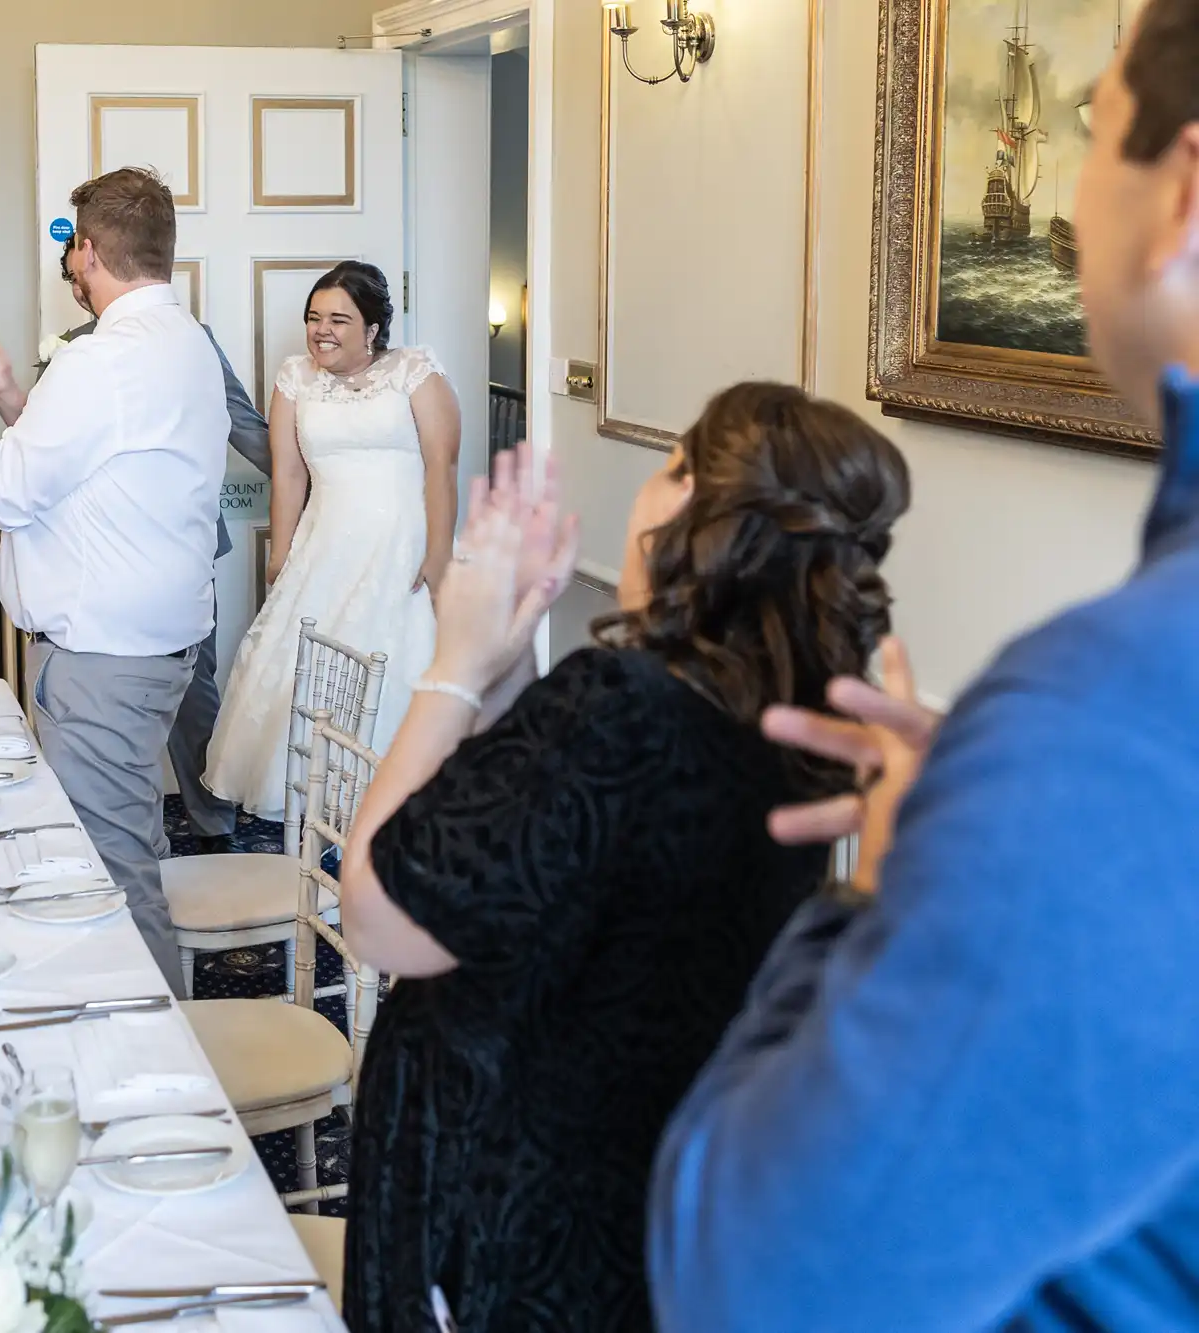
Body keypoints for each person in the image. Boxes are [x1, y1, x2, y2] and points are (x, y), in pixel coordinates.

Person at [648, 7, 1199, 1327]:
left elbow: (749, 1278)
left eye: (1095, 131)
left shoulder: (1105, 722)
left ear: (1180, 197)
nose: (1070, 179)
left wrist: (889, 884)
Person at [336, 386, 911, 1332]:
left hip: (495, 1214)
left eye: (670, 463)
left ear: (695, 509)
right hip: (634, 1212)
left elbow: (379, 915)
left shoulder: (622, 705)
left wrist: (452, 665)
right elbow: (535, 847)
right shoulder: (786, 733)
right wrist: (510, 657)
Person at [0, 167, 227, 995]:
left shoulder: (99, 361)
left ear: (93, 252)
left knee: (108, 869)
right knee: (126, 841)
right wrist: (6, 394)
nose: (69, 269)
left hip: (102, 660)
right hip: (154, 647)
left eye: (73, 252)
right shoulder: (187, 345)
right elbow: (91, 459)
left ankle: (154, 1063)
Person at [0, 233, 270, 853]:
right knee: (124, 780)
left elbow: (249, 433)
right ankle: (146, 830)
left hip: (176, 564)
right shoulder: (76, 350)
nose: (80, 290)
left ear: (97, 257)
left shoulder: (186, 344)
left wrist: (313, 496)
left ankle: (211, 825)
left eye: (81, 273)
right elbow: (57, 457)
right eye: (71, 283)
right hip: (106, 567)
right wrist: (8, 399)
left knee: (192, 703)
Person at [205, 261, 459, 818]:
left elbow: (442, 467)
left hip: (400, 544)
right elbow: (290, 474)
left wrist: (439, 554)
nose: (322, 330)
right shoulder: (295, 379)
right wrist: (280, 552)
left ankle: (397, 808)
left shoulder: (415, 373)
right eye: (314, 317)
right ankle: (322, 811)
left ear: (372, 329)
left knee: (394, 665)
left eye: (339, 320)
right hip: (323, 546)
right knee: (309, 674)